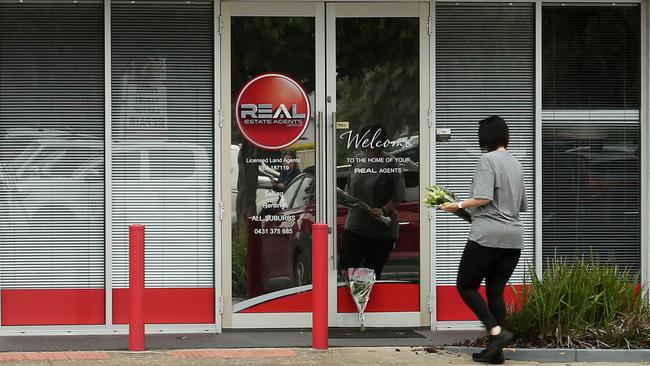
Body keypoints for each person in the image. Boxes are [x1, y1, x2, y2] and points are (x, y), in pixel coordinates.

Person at [441, 116, 527, 364]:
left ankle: (496, 332)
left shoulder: (487, 160)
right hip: (513, 240)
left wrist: (456, 204)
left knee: (466, 285)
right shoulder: (517, 164)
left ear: (485, 137)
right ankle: (495, 353)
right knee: (495, 292)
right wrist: (465, 211)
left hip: (488, 237)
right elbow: (520, 206)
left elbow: (483, 198)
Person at [339, 123, 406, 280]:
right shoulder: (357, 160)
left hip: (381, 230)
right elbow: (349, 189)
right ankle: (352, 304)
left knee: (372, 275)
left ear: (381, 140)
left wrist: (383, 210)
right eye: (367, 138)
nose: (370, 142)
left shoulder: (390, 162)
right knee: (347, 270)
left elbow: (399, 195)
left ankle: (368, 304)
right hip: (355, 225)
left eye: (374, 139)